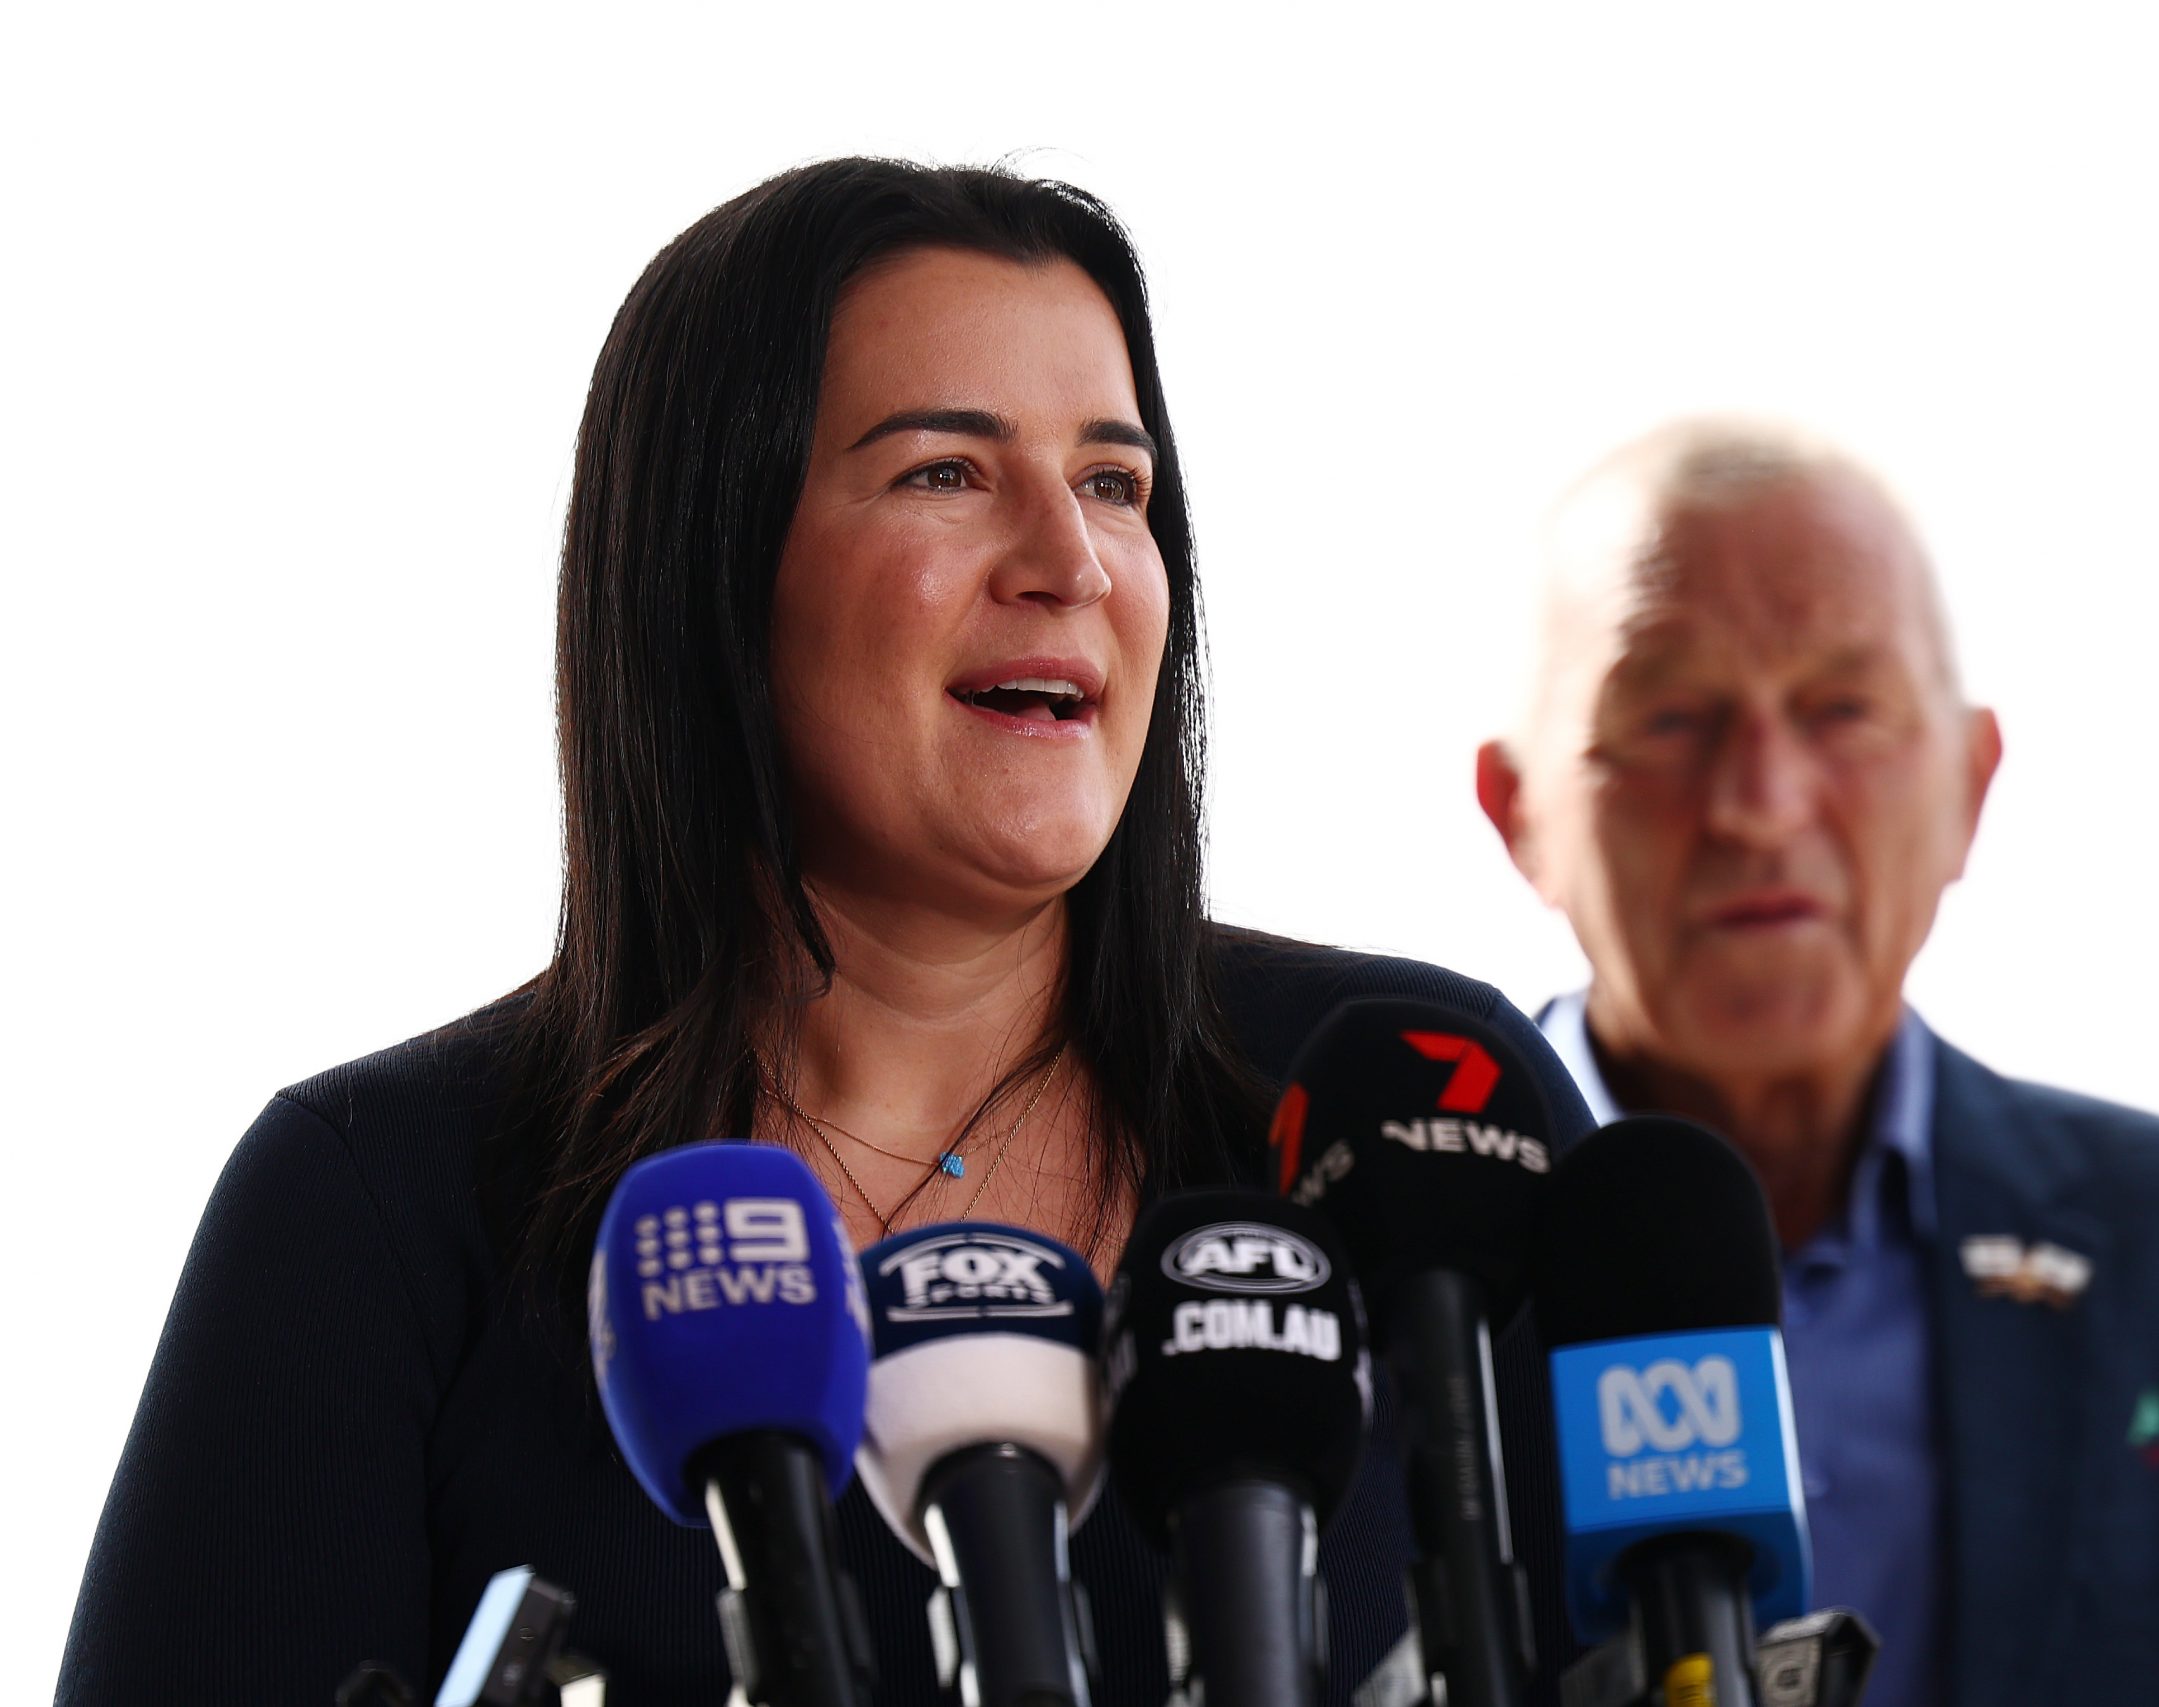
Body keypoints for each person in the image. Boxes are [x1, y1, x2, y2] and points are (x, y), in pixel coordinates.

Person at [56, 159, 1591, 1707]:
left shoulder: (1421, 1113)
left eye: (1115, 483)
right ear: (712, 569)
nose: (1068, 559)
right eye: (947, 471)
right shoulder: (371, 1204)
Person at [1473, 420, 2159, 1706]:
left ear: (1969, 786)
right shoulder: (1354, 1283)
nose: (1759, 800)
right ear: (1516, 807)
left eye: (1840, 710)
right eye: (1671, 715)